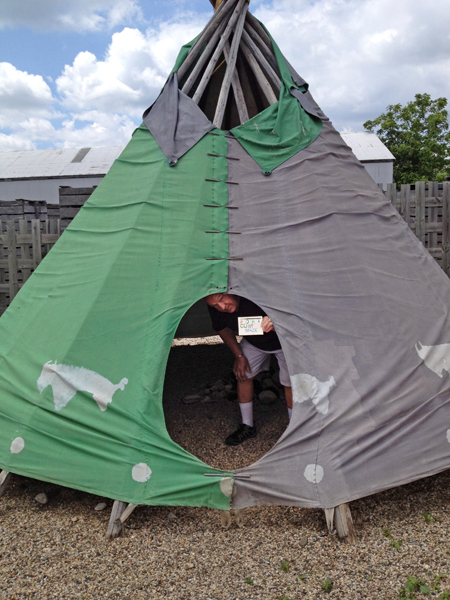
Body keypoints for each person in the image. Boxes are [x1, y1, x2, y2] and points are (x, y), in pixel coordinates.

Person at [204, 293, 293, 446]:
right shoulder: (216, 308)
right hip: (254, 342)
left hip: (283, 343)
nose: (222, 307)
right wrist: (238, 355)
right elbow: (222, 328)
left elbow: (296, 323)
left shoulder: (256, 295)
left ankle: (294, 428)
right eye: (215, 306)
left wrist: (276, 323)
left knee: (290, 382)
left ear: (231, 291)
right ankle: (247, 425)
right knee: (242, 374)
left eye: (221, 299)